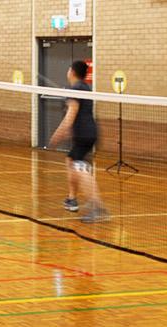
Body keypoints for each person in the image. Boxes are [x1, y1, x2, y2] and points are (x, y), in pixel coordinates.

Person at [49, 60, 108, 223]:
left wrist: (58, 133)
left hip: (84, 134)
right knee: (71, 161)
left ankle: (97, 206)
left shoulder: (75, 89)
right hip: (88, 133)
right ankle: (72, 198)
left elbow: (71, 114)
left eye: (68, 69)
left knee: (81, 169)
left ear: (72, 72)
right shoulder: (85, 87)